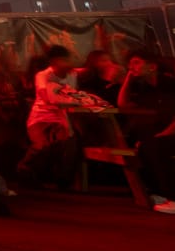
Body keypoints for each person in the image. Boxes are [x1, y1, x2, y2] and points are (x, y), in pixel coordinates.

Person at [19, 45, 109, 189]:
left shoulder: (72, 75)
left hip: (62, 119)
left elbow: (83, 75)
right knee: (42, 144)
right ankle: (25, 169)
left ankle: (63, 182)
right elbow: (47, 96)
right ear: (54, 62)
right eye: (64, 60)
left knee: (70, 144)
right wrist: (70, 100)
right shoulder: (43, 76)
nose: (68, 63)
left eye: (68, 60)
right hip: (42, 118)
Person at [117, 51, 175, 214]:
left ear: (152, 67)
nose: (131, 67)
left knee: (158, 145)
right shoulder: (148, 87)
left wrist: (158, 138)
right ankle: (162, 192)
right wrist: (128, 78)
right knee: (144, 145)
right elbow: (123, 105)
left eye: (136, 62)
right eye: (130, 63)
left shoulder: (170, 85)